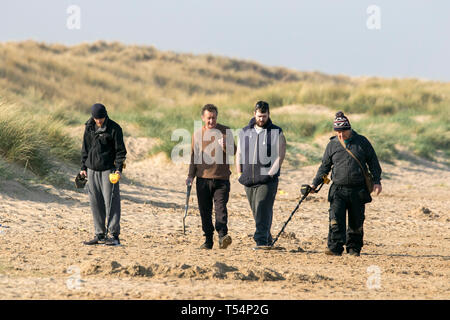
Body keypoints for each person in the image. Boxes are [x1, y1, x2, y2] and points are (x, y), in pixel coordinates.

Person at [310, 111, 382, 256]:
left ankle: (354, 249)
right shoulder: (332, 144)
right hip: (338, 189)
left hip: (358, 190)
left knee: (356, 222)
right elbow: (324, 167)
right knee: (335, 220)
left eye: (343, 132)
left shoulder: (362, 142)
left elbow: (373, 163)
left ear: (349, 128)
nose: (341, 135)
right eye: (338, 132)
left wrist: (377, 181)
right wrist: (314, 184)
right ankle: (334, 248)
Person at [236, 101, 286, 249]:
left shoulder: (276, 131)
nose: (261, 119)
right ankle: (267, 238)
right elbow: (238, 153)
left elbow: (281, 155)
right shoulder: (244, 131)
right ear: (254, 114)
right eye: (259, 116)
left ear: (269, 114)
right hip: (248, 179)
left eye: (264, 116)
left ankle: (261, 241)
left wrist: (270, 174)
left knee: (262, 206)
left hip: (267, 180)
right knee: (257, 212)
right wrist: (239, 173)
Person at [186, 104, 236, 249]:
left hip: (222, 179)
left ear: (217, 117)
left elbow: (234, 152)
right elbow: (193, 157)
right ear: (203, 118)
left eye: (214, 118)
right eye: (208, 118)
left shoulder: (225, 131)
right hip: (202, 179)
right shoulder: (196, 134)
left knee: (221, 209)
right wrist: (190, 176)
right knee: (204, 211)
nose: (211, 121)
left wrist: (226, 145)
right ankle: (208, 240)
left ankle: (222, 237)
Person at [81, 103, 127, 246]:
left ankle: (114, 236)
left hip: (109, 170)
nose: (99, 121)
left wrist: (118, 169)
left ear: (105, 115)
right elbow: (85, 149)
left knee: (112, 203)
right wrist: (83, 167)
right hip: (92, 170)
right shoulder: (89, 127)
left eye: (101, 118)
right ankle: (99, 234)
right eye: (96, 118)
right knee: (95, 203)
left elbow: (120, 152)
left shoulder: (114, 128)